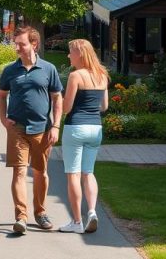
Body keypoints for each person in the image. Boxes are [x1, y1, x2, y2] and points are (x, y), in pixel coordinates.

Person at [0, 26, 63, 234]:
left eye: (21, 44)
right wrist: (3, 119)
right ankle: (21, 217)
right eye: (15, 44)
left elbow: (57, 97)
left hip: (42, 129)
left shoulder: (48, 69)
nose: (17, 48)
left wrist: (55, 125)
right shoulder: (10, 70)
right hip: (17, 127)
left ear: (34, 44)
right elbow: (1, 95)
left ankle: (41, 213)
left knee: (40, 172)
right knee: (19, 171)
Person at [58, 38, 109, 234]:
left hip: (76, 127)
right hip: (95, 127)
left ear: (79, 54)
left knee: (73, 174)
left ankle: (77, 221)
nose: (69, 55)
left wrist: (60, 103)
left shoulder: (75, 76)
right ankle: (93, 211)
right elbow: (104, 106)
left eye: (71, 52)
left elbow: (67, 108)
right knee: (88, 172)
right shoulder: (102, 75)